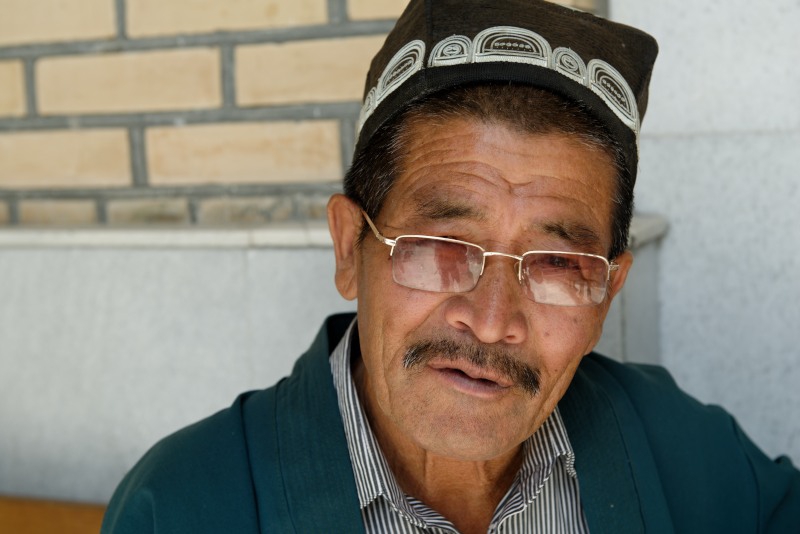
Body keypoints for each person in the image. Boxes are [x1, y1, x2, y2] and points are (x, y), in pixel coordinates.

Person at [101, 0, 800, 532]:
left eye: (557, 263)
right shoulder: (186, 503)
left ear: (607, 294)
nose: (492, 321)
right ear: (349, 248)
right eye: (442, 247)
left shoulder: (684, 448)